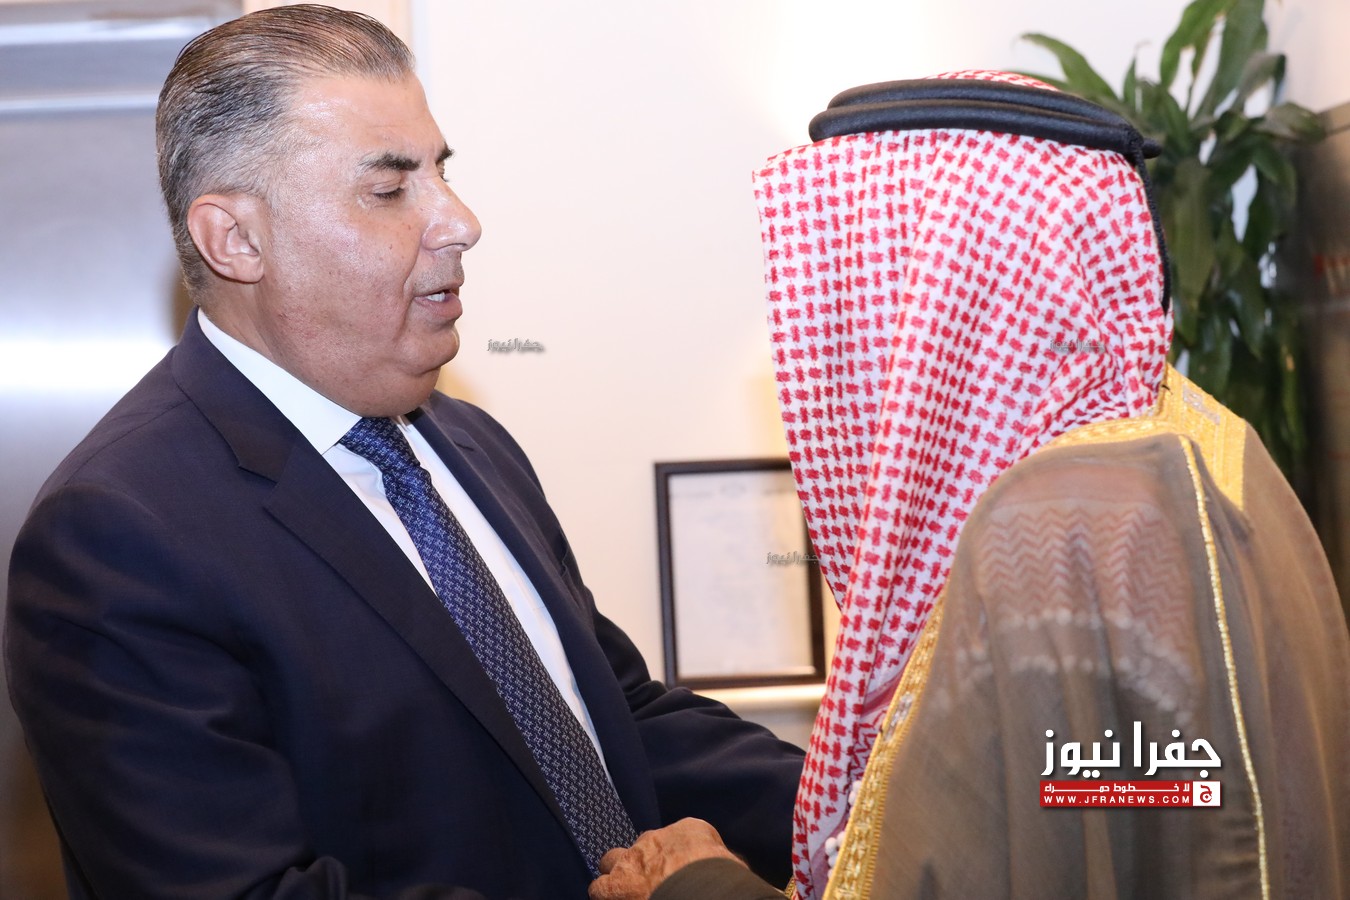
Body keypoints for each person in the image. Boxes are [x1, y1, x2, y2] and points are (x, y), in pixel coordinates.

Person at [3, 6, 804, 898]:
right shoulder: (116, 535)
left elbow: (615, 716)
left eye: (441, 173)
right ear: (236, 239)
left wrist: (864, 806)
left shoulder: (469, 440)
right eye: (390, 191)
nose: (460, 221)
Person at [589, 70, 1350, 900]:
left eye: (859, 291)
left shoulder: (1047, 530)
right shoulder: (1204, 440)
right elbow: (1122, 809)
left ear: (942, 297)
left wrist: (698, 886)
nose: (837, 353)